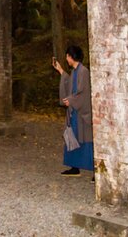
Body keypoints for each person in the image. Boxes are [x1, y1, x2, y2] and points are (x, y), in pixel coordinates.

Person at [54, 45, 94, 177]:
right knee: (72, 137)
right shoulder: (74, 72)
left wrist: (71, 100)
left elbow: (84, 92)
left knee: (85, 140)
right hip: (74, 113)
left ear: (71, 57)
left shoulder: (84, 72)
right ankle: (74, 167)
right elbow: (69, 84)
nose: (66, 59)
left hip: (82, 113)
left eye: (67, 56)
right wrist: (60, 70)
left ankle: (95, 171)